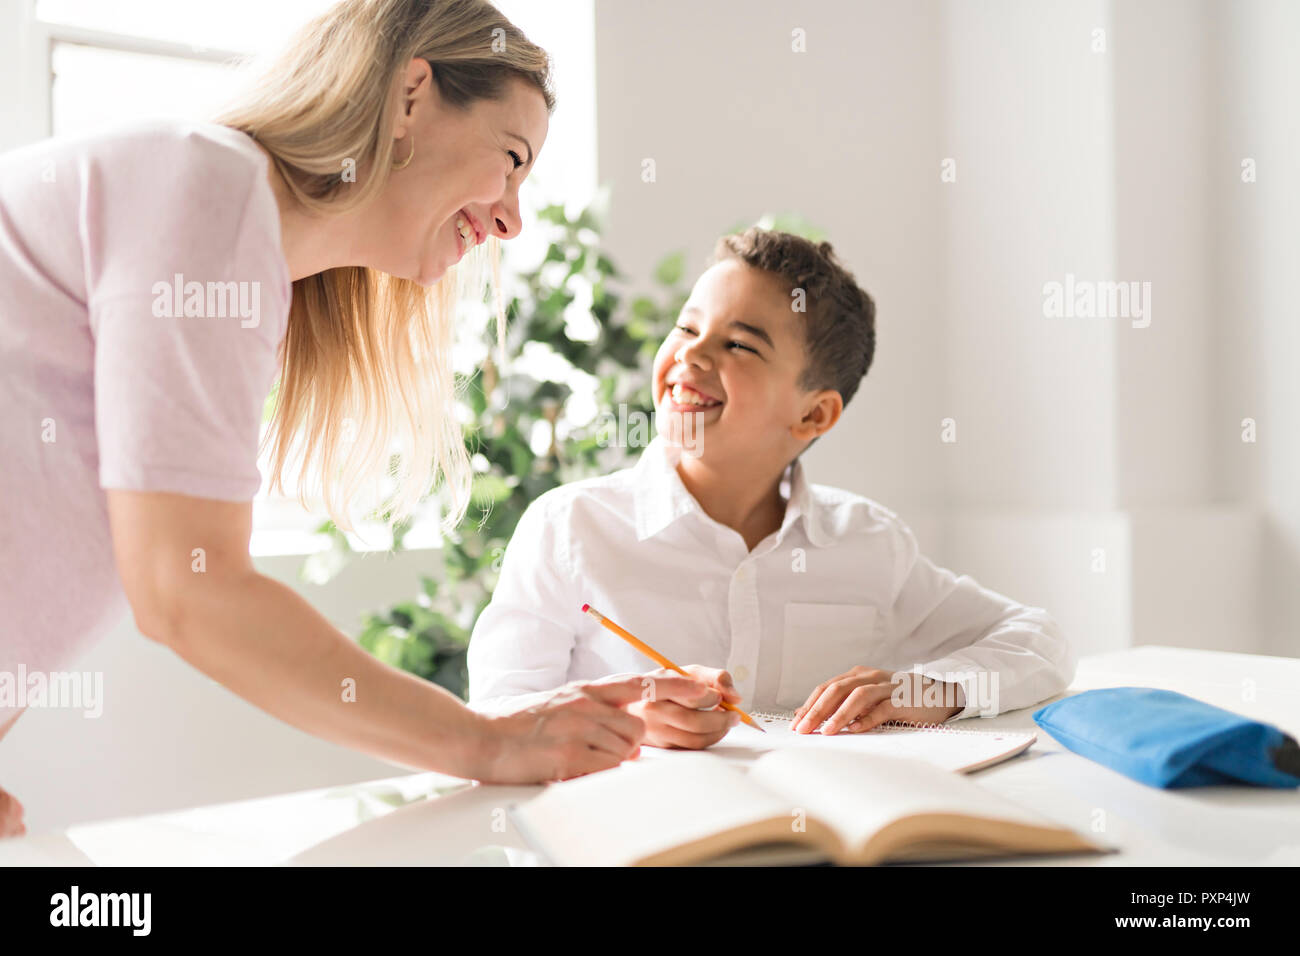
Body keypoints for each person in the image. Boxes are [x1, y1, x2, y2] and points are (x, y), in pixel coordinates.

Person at [0, 0, 700, 838]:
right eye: (511, 160)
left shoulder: (241, 273)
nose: (513, 216)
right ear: (411, 95)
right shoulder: (209, 185)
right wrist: (486, 742)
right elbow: (188, 591)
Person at [467, 227, 1076, 749]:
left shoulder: (869, 543)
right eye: (687, 327)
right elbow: (495, 718)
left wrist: (930, 688)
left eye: (738, 344)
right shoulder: (569, 528)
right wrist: (625, 716)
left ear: (814, 416)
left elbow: (1041, 643)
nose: (691, 356)